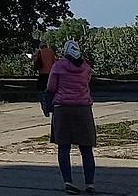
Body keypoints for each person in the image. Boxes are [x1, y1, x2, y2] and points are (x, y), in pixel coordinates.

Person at [47, 40, 96, 194]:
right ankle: (90, 184)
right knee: (87, 148)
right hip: (83, 108)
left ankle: (68, 181)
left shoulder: (58, 66)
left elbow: (51, 87)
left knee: (63, 146)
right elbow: (87, 83)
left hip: (63, 109)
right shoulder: (86, 67)